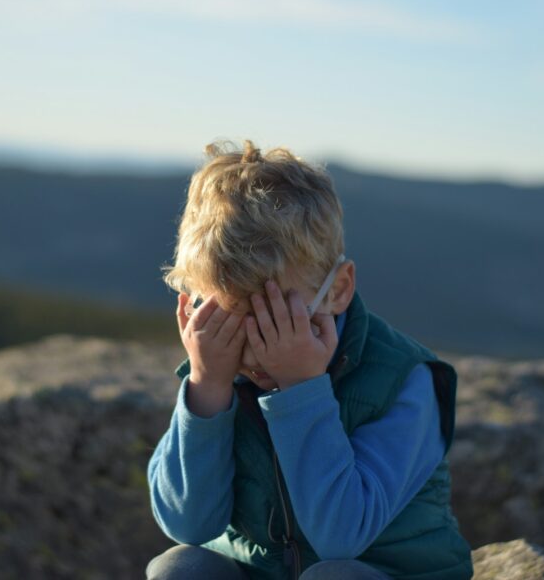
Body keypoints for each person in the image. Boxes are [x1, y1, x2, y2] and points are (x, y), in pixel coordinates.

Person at [146, 140, 473, 580]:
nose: (259, 349)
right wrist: (206, 388)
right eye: (234, 324)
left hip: (380, 573)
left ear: (337, 290)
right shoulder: (220, 369)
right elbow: (188, 524)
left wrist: (301, 389)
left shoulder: (406, 382)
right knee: (179, 568)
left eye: (277, 320)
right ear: (194, 308)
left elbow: (341, 536)